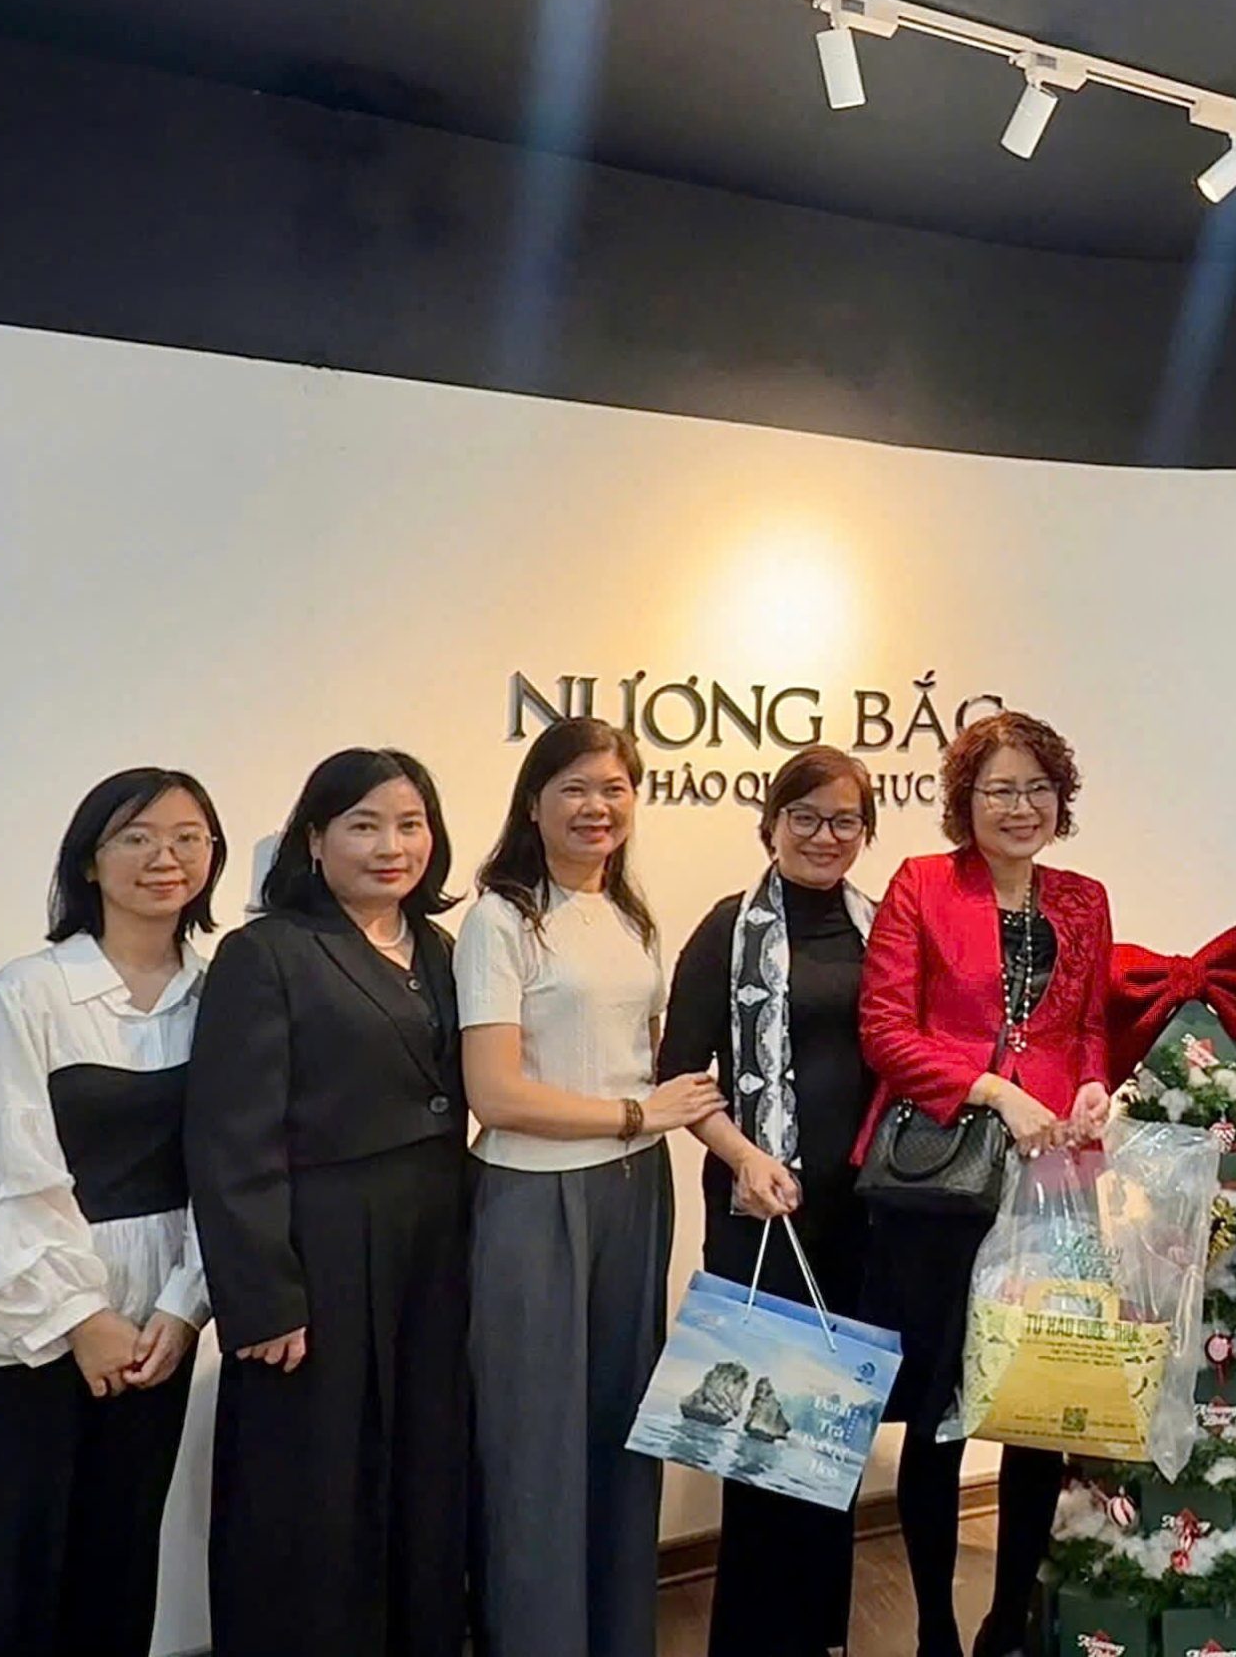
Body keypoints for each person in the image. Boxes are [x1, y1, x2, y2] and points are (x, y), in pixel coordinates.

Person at [0, 769, 225, 1657]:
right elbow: (0, 1175)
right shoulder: (30, 992)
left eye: (188, 838)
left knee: (108, 1587)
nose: (165, 858)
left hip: (152, 1337)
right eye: (137, 838)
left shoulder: (222, 996)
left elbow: (232, 1167)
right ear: (89, 860)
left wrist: (182, 1307)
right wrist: (83, 1320)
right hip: (12, 1333)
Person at [187, 747, 470, 1657]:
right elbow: (231, 1138)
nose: (391, 847)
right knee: (309, 1485)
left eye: (410, 825)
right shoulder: (265, 952)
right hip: (318, 1251)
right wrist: (262, 1296)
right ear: (314, 839)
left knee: (422, 1473)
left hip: (436, 1247)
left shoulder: (444, 950)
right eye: (363, 825)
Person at [459, 716, 721, 1657]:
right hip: (532, 1200)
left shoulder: (631, 918)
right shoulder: (499, 920)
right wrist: (633, 1116)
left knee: (623, 1427)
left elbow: (658, 1070)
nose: (596, 806)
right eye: (573, 787)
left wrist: (724, 1147)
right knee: (533, 1442)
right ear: (533, 803)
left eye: (614, 788)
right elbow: (495, 1094)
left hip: (633, 1194)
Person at [855, 710, 1114, 1657]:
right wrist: (995, 1090)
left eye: (1037, 788)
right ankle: (933, 1626)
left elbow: (1090, 1026)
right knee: (941, 1408)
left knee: (1037, 1404)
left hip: (1051, 1179)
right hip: (941, 1182)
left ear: (1061, 799)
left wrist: (1092, 1084)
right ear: (965, 800)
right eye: (999, 789)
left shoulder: (1082, 899)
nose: (1020, 807)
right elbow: (885, 1030)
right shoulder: (923, 884)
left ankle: (1009, 1621)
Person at [658, 745, 882, 1657]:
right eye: (806, 817)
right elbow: (680, 1077)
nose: (825, 836)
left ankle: (823, 1637)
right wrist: (744, 1156)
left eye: (845, 821)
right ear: (772, 824)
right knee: (760, 1446)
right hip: (761, 1215)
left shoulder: (882, 927)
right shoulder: (728, 928)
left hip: (861, 1218)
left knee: (830, 1446)